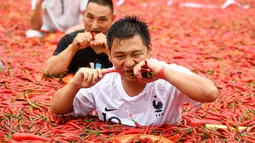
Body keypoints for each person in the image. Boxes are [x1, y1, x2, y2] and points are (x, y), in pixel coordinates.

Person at [50, 15, 220, 126]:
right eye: (120, 56)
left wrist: (163, 72)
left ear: (149, 50)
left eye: (136, 54)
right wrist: (75, 85)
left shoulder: (168, 75)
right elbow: (57, 109)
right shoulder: (102, 82)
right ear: (109, 54)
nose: (129, 63)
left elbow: (210, 93)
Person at [43, 0, 115, 76]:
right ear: (83, 15)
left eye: (102, 20)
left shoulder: (120, 42)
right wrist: (72, 48)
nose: (94, 26)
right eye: (90, 17)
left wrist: (110, 51)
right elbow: (48, 72)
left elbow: (127, 73)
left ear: (112, 19)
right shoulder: (70, 40)